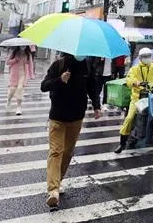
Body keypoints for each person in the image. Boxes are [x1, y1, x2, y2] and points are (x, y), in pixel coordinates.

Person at [40, 52, 101, 209]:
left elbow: (93, 87)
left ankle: (58, 181)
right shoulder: (58, 65)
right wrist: (60, 80)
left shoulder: (87, 66)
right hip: (57, 118)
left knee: (67, 152)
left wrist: (96, 106)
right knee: (56, 151)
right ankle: (53, 191)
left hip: (76, 118)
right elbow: (44, 86)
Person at [114, 47, 153, 153]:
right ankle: (122, 143)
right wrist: (135, 82)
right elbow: (129, 79)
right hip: (138, 98)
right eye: (145, 57)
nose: (147, 58)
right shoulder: (135, 69)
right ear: (140, 58)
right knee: (129, 118)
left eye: (149, 56)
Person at [6, 46, 35, 115]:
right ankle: (8, 101)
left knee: (20, 89)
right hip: (14, 75)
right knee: (12, 90)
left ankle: (18, 107)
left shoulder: (28, 54)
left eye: (24, 46)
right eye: (22, 46)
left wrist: (31, 75)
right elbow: (7, 62)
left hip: (23, 75)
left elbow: (31, 65)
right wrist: (15, 60)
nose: (23, 47)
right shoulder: (14, 53)